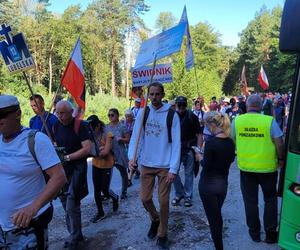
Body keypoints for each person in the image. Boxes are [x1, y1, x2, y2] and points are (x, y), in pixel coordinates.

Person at [0, 95, 66, 249]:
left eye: (2, 115)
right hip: (3, 227)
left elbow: (59, 177)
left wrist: (33, 207)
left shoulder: (37, 140)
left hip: (27, 226)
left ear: (17, 114)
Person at [128, 82, 181, 250]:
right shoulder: (143, 113)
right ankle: (155, 218)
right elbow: (136, 137)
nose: (154, 97)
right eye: (151, 94)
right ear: (148, 95)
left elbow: (177, 143)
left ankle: (162, 233)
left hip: (165, 165)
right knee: (144, 198)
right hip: (147, 163)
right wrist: (132, 158)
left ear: (163, 94)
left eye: (158, 94)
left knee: (164, 201)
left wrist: (174, 168)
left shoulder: (172, 115)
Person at [231, 94, 284, 244]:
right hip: (268, 169)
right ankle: (270, 234)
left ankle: (254, 233)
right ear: (261, 106)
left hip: (247, 169)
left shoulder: (237, 121)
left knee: (250, 202)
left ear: (247, 106)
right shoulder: (269, 121)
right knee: (270, 200)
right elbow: (279, 142)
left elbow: (231, 140)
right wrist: (281, 159)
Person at [53, 100, 92, 249]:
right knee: (65, 202)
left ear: (71, 112)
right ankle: (76, 233)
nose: (59, 116)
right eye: (57, 112)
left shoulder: (80, 125)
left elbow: (87, 149)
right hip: (63, 170)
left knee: (71, 203)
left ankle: (74, 236)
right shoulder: (55, 126)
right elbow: (56, 144)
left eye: (62, 113)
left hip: (77, 168)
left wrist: (68, 157)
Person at [198, 111, 235, 250]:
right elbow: (230, 160)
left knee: (214, 219)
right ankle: (217, 238)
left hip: (208, 186)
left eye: (207, 125)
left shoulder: (211, 143)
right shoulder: (231, 142)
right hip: (222, 185)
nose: (206, 128)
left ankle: (218, 245)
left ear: (212, 124)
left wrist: (199, 156)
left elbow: (206, 165)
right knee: (216, 215)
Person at [87, 115, 119, 223]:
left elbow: (105, 153)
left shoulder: (108, 134)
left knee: (105, 190)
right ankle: (100, 212)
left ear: (98, 125)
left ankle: (114, 197)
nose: (91, 131)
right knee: (96, 190)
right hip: (96, 165)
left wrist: (94, 151)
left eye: (93, 128)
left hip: (107, 165)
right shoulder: (90, 135)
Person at [172, 96, 201, 207]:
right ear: (176, 105)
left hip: (189, 149)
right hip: (175, 150)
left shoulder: (192, 116)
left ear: (186, 104)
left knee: (189, 174)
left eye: (183, 104)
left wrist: (198, 149)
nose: (181, 107)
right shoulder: (172, 116)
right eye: (179, 104)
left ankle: (188, 196)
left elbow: (199, 133)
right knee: (173, 172)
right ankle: (179, 194)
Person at [106, 108, 130, 199]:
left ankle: (124, 192)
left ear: (117, 116)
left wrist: (122, 139)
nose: (110, 117)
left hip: (120, 153)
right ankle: (106, 192)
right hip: (109, 154)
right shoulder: (106, 127)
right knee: (106, 174)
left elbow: (128, 140)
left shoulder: (122, 127)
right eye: (109, 115)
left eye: (112, 115)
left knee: (123, 173)